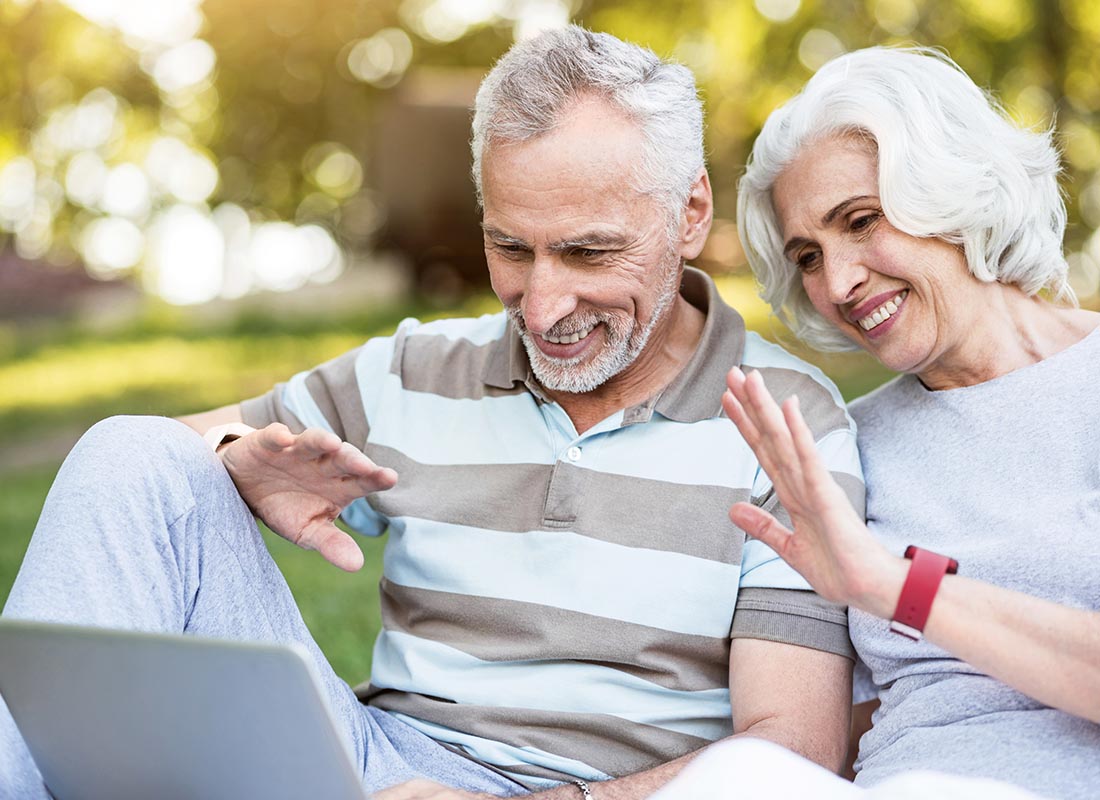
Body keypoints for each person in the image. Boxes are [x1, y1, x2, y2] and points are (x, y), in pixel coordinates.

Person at [0, 27, 865, 800]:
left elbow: (789, 754)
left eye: (589, 251)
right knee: (128, 449)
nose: (541, 307)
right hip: (380, 769)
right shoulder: (418, 368)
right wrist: (231, 453)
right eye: (509, 247)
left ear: (689, 213)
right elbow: (155, 470)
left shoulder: (788, 425)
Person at [709, 45, 1100, 799]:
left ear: (949, 189)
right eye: (809, 257)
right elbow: (852, 723)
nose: (840, 283)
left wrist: (898, 588)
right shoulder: (842, 444)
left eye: (860, 221)